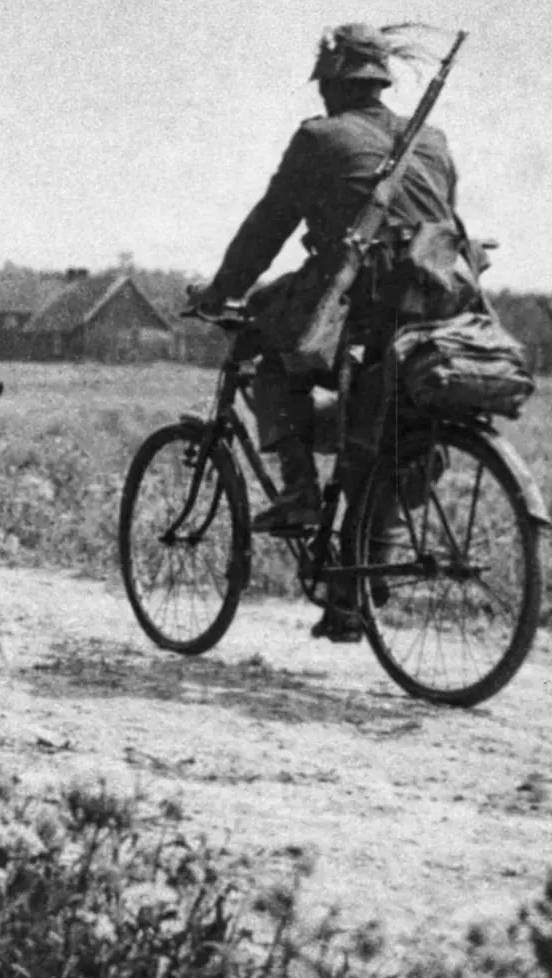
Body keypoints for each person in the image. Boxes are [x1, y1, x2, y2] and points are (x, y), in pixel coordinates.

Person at [192, 23, 478, 637]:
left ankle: (297, 490)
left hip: (361, 295)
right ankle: (355, 586)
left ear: (330, 84)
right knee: (383, 431)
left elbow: (269, 224)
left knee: (261, 346)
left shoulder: (319, 137)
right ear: (379, 81)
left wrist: (223, 291)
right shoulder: (432, 137)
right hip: (434, 304)